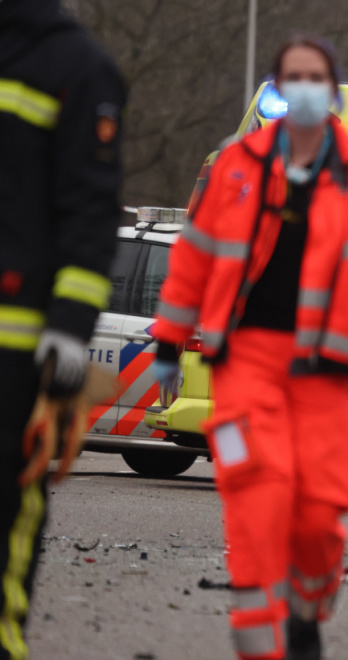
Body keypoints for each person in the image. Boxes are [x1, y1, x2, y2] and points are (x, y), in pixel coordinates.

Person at [151, 36, 348, 660]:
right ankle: (263, 643)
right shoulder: (237, 166)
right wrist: (167, 337)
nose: (302, 87)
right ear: (275, 88)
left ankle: (306, 605)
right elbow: (194, 258)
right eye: (291, 77)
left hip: (325, 373)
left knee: (321, 512)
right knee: (257, 494)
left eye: (314, 77)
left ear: (334, 92)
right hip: (246, 361)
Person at [0, 1, 126, 658]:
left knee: (11, 512)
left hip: (17, 352)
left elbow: (90, 212)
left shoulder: (78, 67)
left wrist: (69, 330)